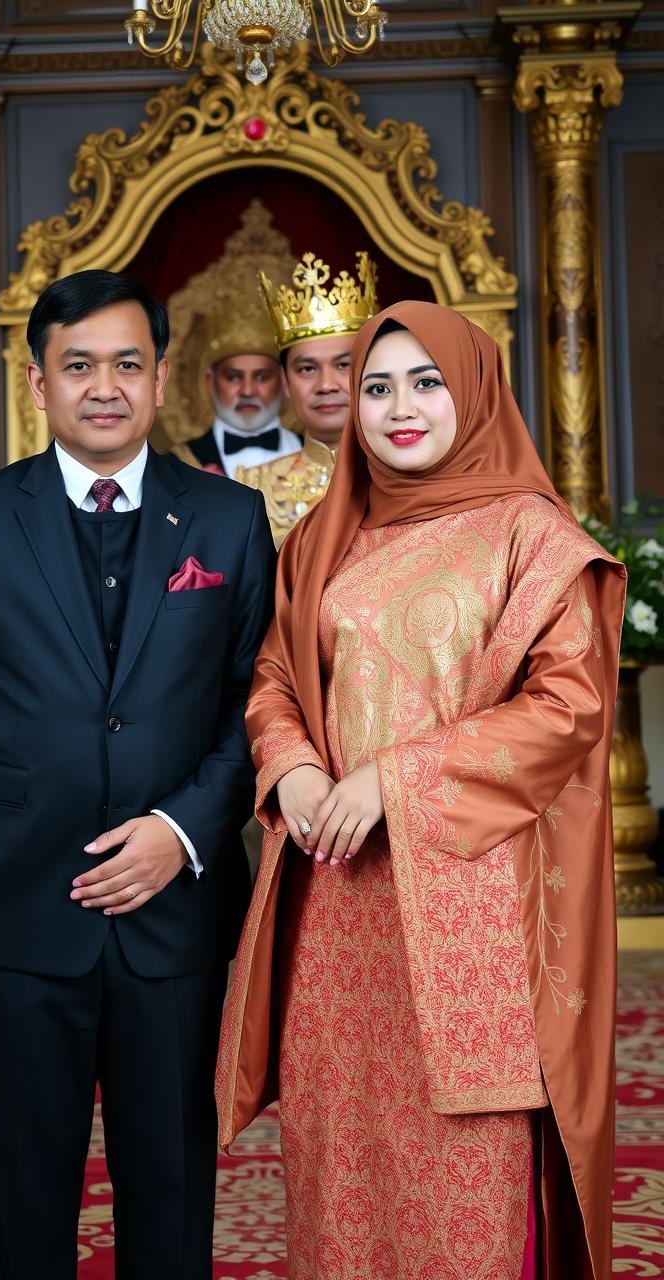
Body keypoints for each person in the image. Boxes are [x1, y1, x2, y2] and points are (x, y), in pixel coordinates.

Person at [216, 300, 626, 1280]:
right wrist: (298, 767)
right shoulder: (328, 532)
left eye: (424, 381)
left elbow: (569, 705)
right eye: (375, 386)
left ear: (475, 389)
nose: (398, 406)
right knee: (336, 1159)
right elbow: (275, 675)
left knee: (462, 1172)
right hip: (337, 902)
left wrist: (394, 777)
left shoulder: (530, 532)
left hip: (470, 907)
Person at [0, 268, 276, 1280]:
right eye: (77, 366)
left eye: (125, 364)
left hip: (177, 914)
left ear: (160, 379)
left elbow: (261, 705)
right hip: (18, 906)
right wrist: (21, 805)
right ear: (38, 383)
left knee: (172, 1183)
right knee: (25, 1190)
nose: (102, 387)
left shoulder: (229, 521)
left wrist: (181, 831)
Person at [237, 251, 378, 546]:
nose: (326, 384)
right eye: (307, 368)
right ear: (286, 382)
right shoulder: (251, 489)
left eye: (344, 365)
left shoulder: (410, 479)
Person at [174, 300, 301, 477]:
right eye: (233, 377)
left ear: (283, 380)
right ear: (210, 382)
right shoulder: (177, 465)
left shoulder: (318, 455)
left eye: (262, 377)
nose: (247, 391)